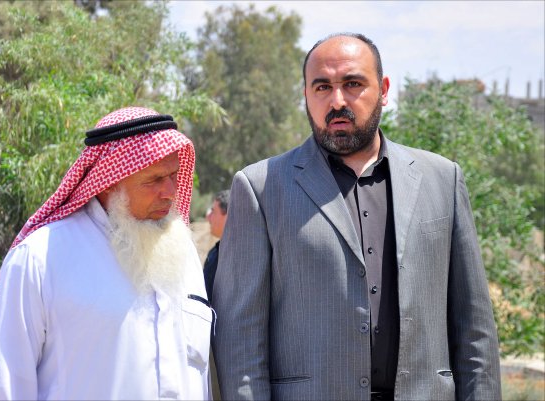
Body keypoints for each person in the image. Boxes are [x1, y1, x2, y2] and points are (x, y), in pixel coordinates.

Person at [212, 33, 501, 401]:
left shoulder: (442, 179)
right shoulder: (261, 188)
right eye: (322, 87)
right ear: (306, 95)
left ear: (383, 90)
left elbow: (475, 332)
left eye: (352, 84)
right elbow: (240, 341)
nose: (337, 101)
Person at [0, 107, 213, 400]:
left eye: (173, 175)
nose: (169, 191)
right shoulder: (40, 259)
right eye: (154, 179)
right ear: (109, 181)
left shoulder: (183, 252)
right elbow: (6, 388)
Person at [203, 189, 230, 303]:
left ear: (228, 216)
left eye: (213, 211)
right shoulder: (214, 253)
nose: (208, 217)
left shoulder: (241, 258)